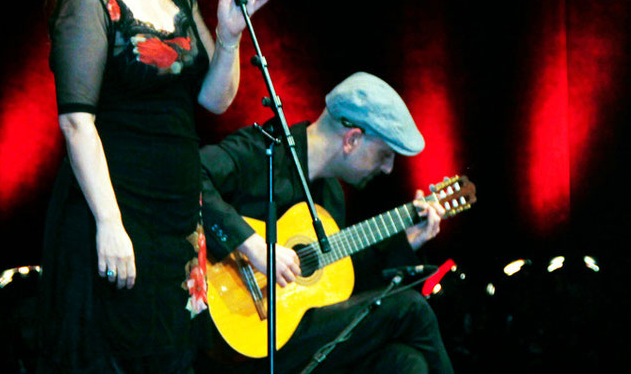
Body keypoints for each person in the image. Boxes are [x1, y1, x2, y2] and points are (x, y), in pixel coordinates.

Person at [36, 0, 272, 373]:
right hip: (116, 214)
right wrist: (109, 221)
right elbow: (77, 121)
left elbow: (212, 101)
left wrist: (231, 35)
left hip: (174, 223)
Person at [198, 72, 473, 374]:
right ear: (352, 139)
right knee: (413, 310)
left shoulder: (330, 197)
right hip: (235, 338)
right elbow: (187, 176)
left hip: (299, 340)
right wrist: (253, 246)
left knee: (406, 362)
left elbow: (342, 292)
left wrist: (407, 241)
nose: (388, 168)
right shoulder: (261, 152)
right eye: (385, 154)